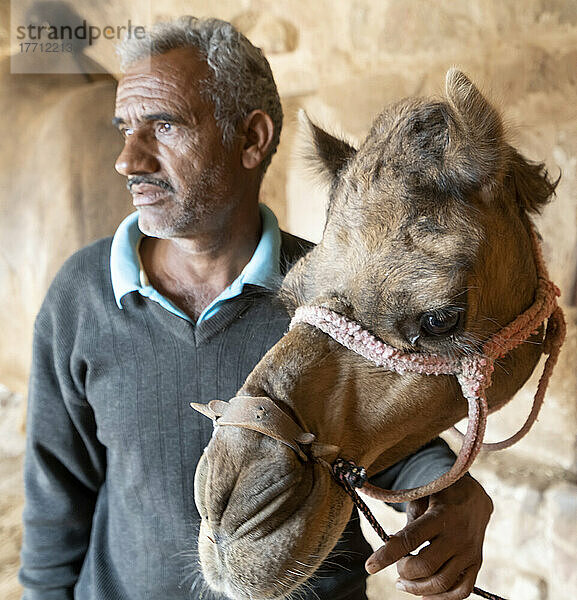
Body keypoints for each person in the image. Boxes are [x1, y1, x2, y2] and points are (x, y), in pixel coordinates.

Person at [19, 16, 493, 600]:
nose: (128, 160)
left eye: (162, 126)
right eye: (124, 129)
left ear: (252, 139)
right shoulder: (81, 297)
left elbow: (398, 441)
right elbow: (54, 502)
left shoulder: (331, 296)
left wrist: (452, 492)